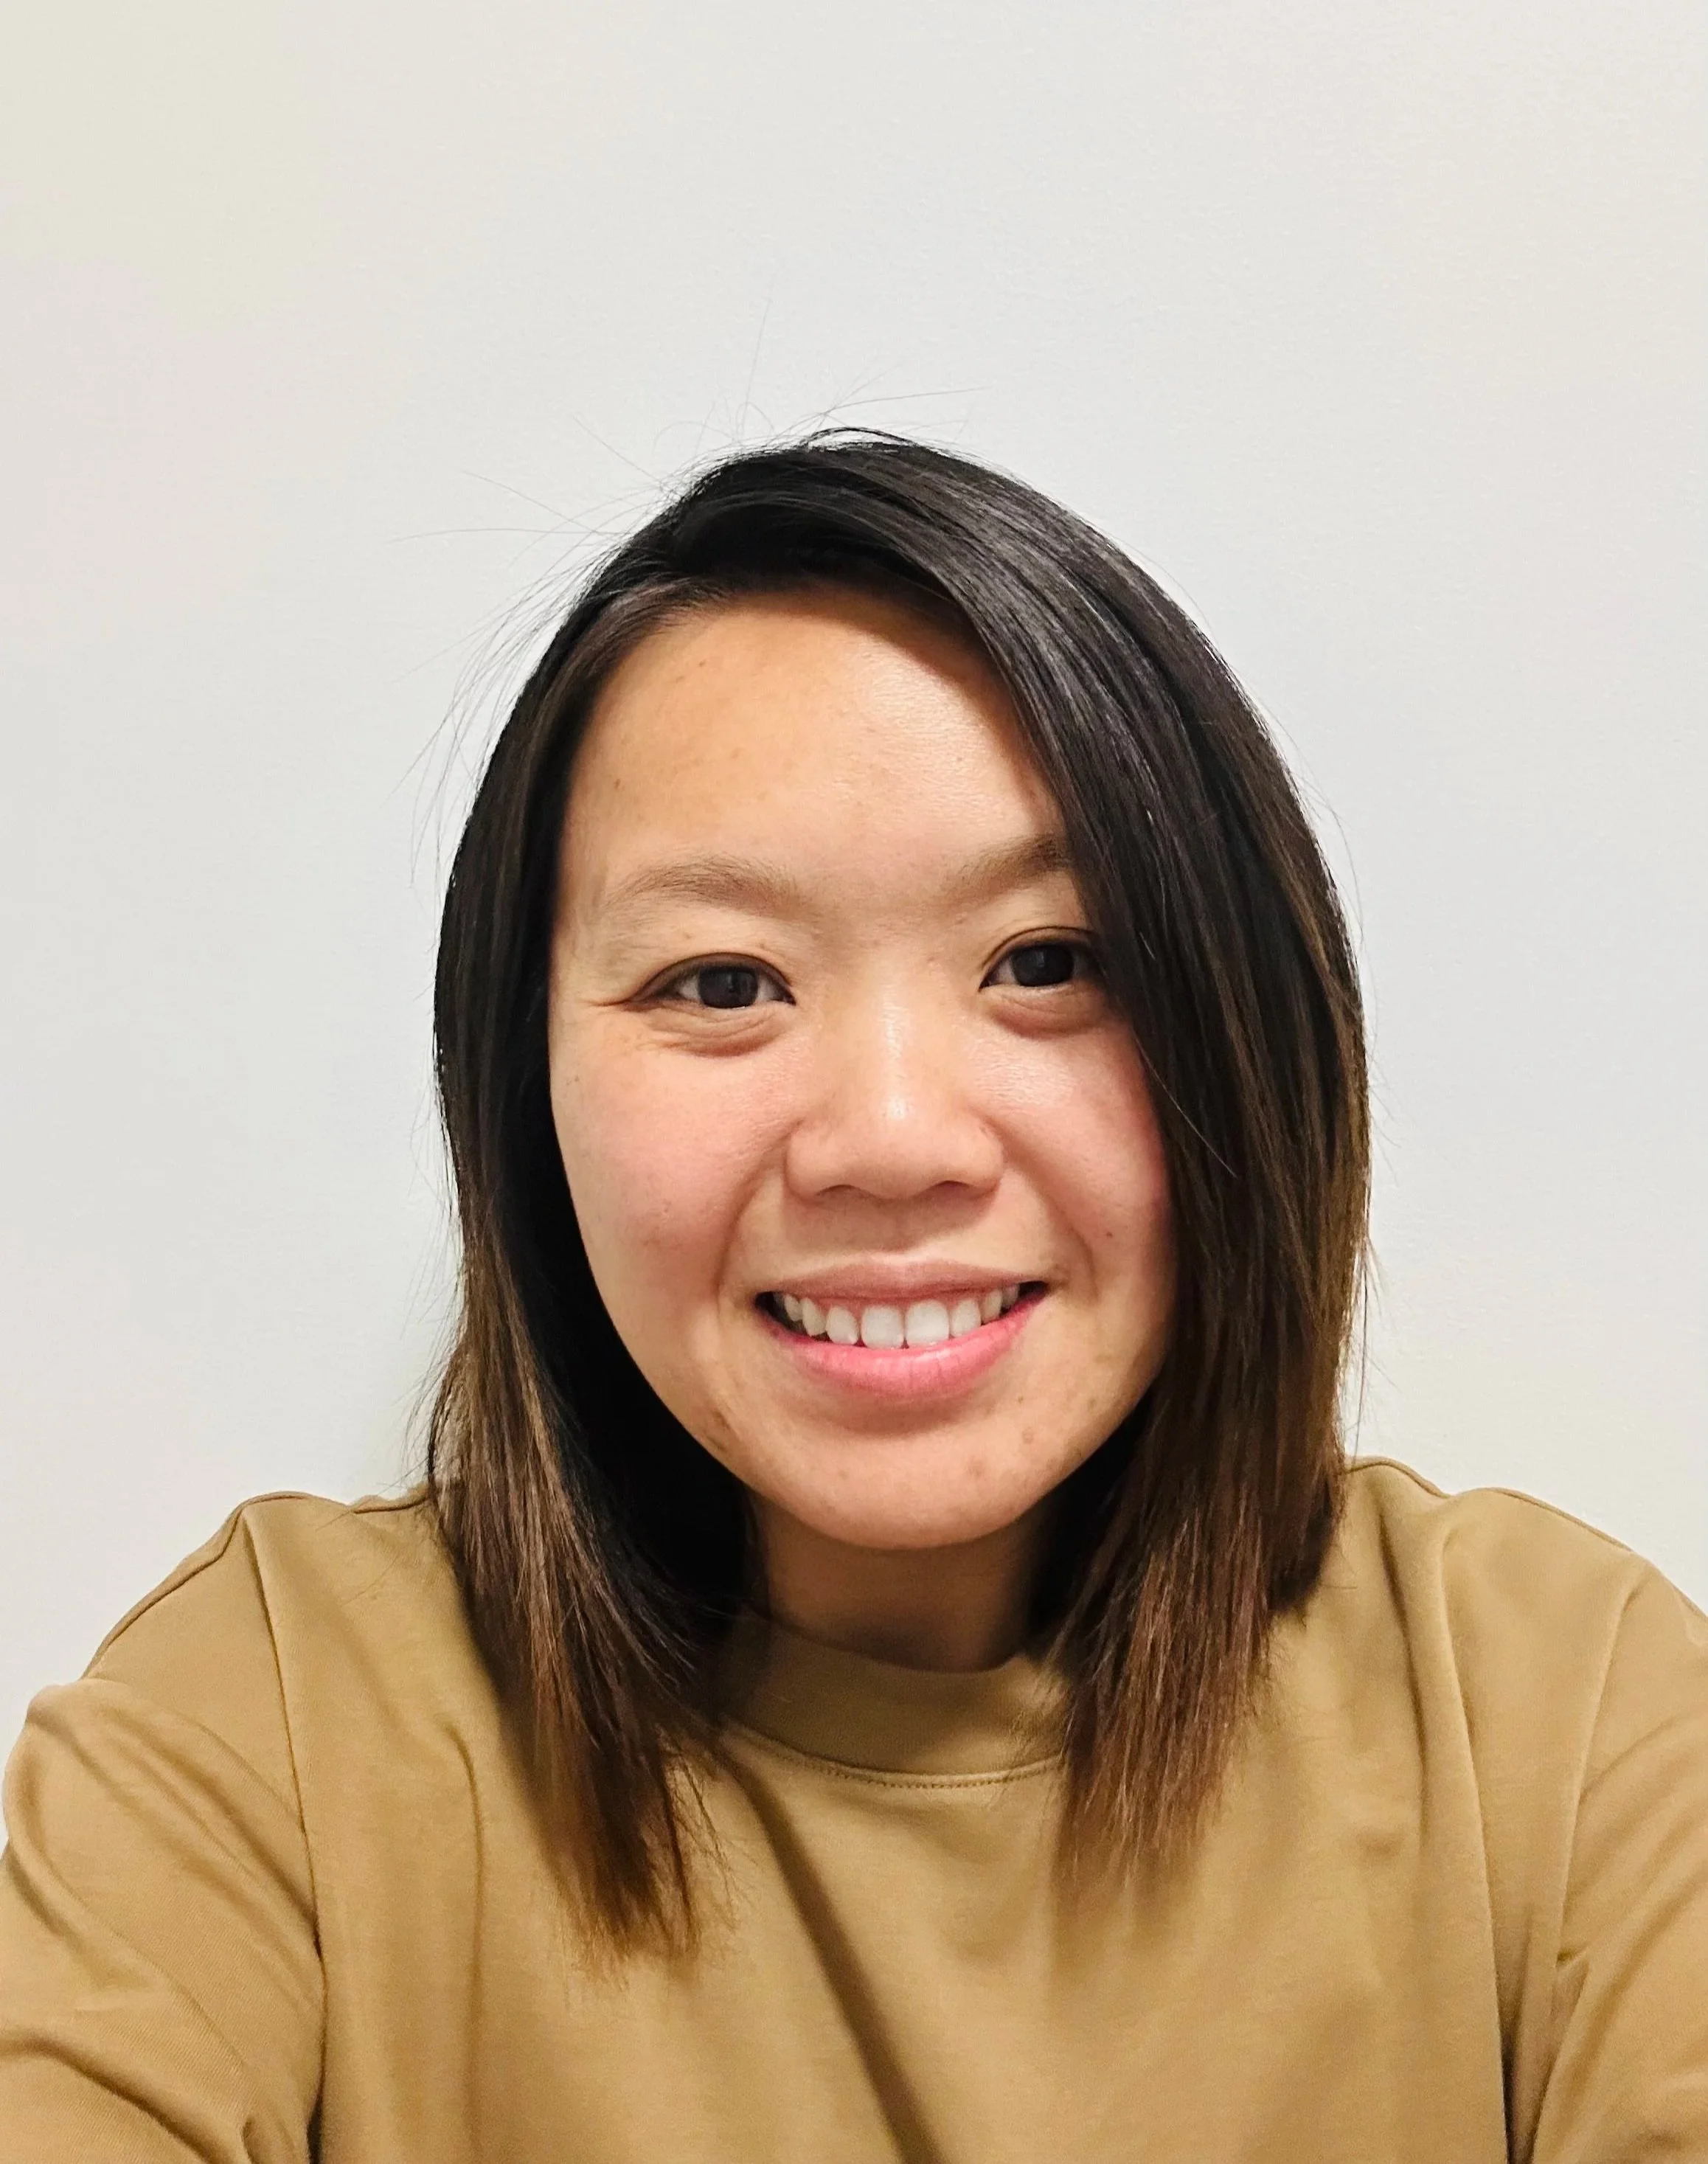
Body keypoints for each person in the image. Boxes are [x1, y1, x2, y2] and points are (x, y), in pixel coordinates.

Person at [1, 436, 1703, 2163]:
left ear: (1250, 1033)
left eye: (1046, 963)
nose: (889, 1141)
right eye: (721, 981)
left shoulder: (1558, 1722)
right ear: (524, 1092)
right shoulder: (273, 1724)